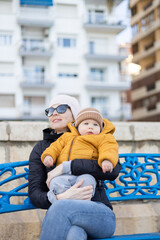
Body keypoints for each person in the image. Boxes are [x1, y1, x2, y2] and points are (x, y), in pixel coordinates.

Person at [28, 94, 121, 240]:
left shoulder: (96, 138)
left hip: (99, 213)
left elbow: (113, 171)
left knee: (60, 208)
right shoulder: (42, 149)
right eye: (50, 111)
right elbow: (35, 194)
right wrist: (61, 197)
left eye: (61, 108)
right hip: (63, 215)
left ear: (75, 115)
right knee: (74, 234)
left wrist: (67, 166)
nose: (55, 113)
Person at [41, 108, 119, 204]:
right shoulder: (67, 137)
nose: (90, 127)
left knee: (87, 183)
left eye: (95, 124)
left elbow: (109, 148)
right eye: (86, 124)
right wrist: (49, 156)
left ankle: (82, 203)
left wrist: (106, 160)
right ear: (77, 126)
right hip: (64, 175)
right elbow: (55, 147)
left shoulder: (102, 138)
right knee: (55, 183)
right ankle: (67, 201)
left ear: (101, 128)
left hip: (86, 173)